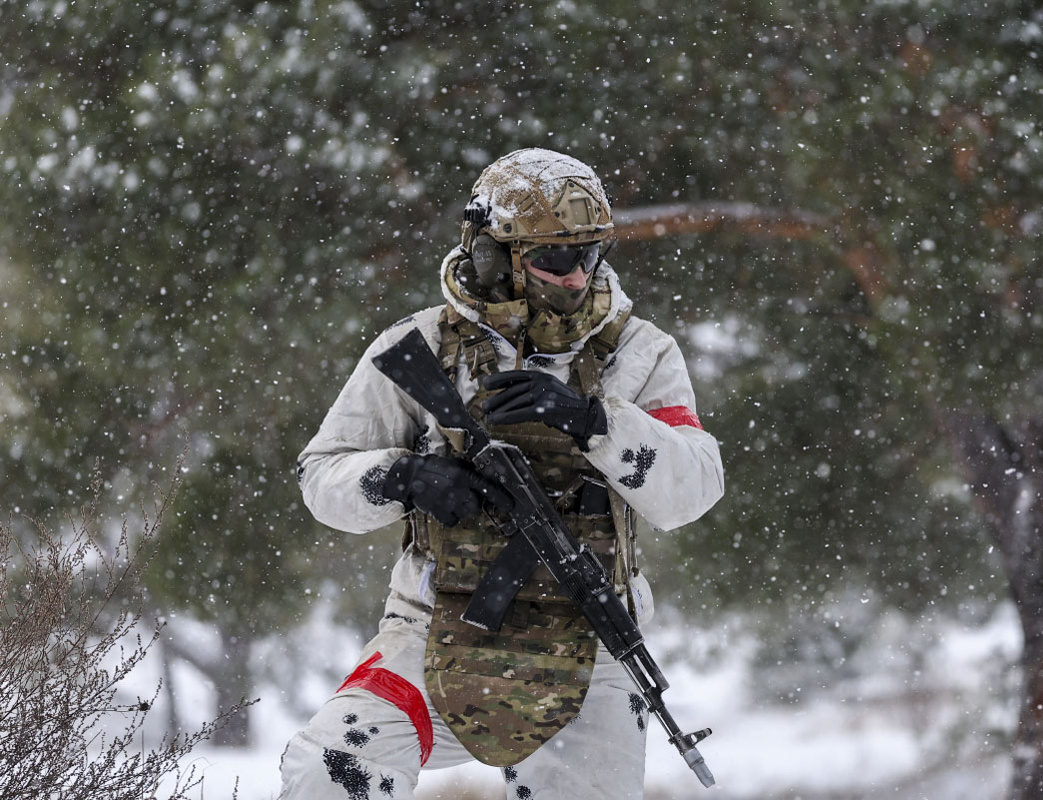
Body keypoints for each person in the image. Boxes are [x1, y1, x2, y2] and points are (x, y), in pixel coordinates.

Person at [279, 148, 724, 800]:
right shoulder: (421, 346)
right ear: (494, 256)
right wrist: (402, 478)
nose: (576, 278)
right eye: (555, 259)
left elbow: (695, 488)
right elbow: (321, 475)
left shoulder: (639, 353)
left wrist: (595, 420)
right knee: (332, 767)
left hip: (592, 643)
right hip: (435, 631)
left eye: (590, 255)